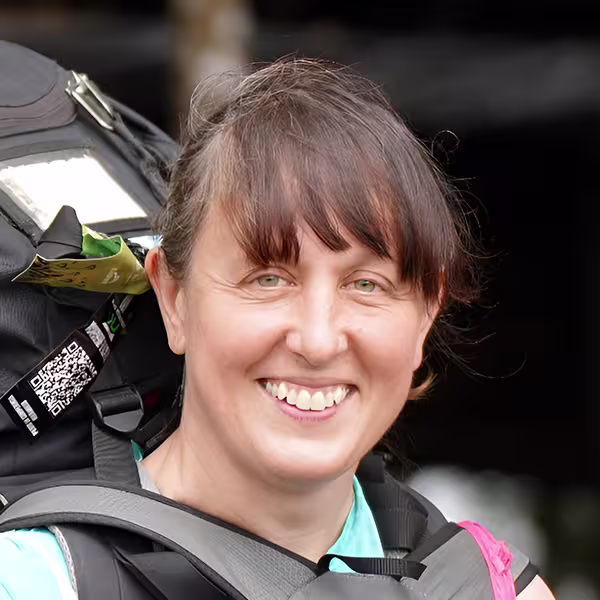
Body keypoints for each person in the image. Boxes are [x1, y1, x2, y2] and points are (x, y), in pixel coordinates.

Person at [0, 57, 555, 599]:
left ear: (425, 316)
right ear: (174, 298)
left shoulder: (487, 587)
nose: (317, 340)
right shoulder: (35, 582)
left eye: (366, 285)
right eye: (268, 279)